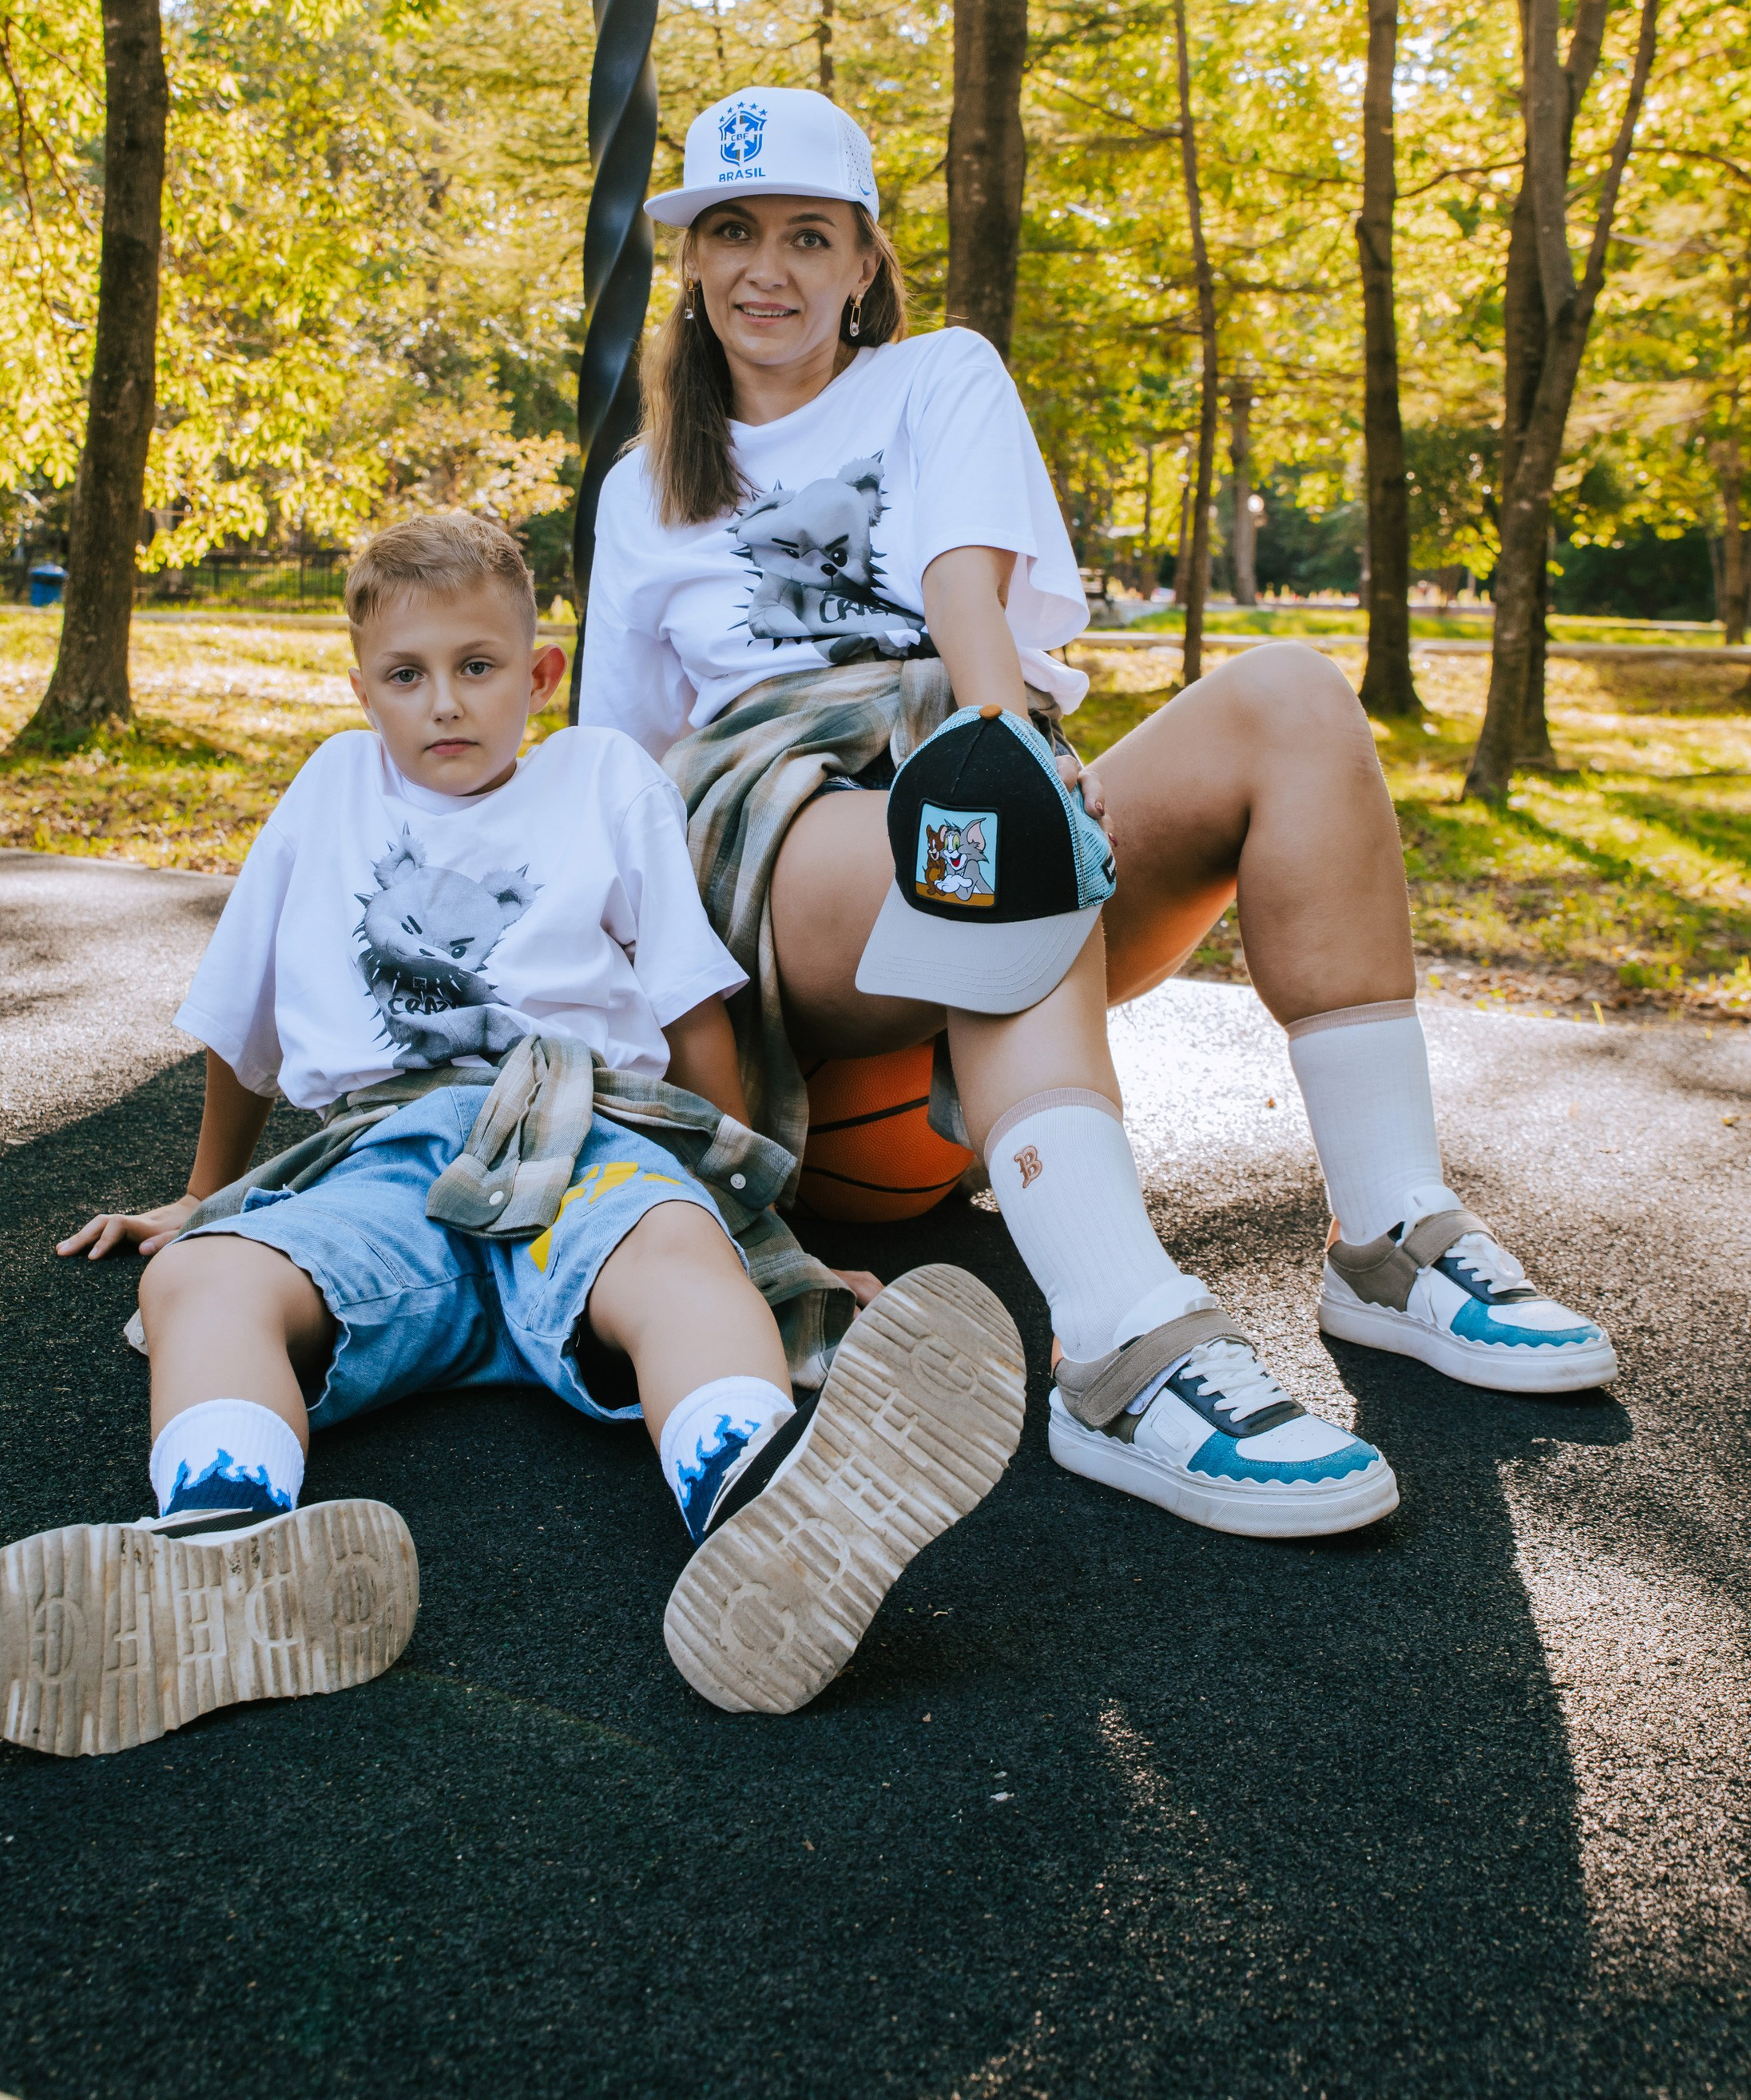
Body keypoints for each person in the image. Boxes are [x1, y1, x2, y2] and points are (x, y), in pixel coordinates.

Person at [579, 85, 1618, 1544]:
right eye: (734, 233)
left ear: (867, 262)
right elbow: (613, 772)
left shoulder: (940, 377)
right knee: (995, 836)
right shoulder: (642, 488)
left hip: (967, 746)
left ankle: (1388, 1234)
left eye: (810, 236)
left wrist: (1003, 736)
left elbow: (961, 577)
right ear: (692, 262)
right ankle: (1120, 1353)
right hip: (773, 835)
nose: (770, 267)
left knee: (1292, 700)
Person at [0, 514, 1023, 1755]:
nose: (444, 702)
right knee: (204, 1277)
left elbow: (692, 1010)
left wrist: (763, 1234)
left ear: (538, 675)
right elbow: (247, 1022)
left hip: (585, 1126)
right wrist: (203, 1193)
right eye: (406, 675)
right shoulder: (329, 787)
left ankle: (760, 1499)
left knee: (678, 1260)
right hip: (389, 1160)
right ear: (362, 688)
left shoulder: (604, 778)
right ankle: (224, 1541)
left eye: (478, 666)